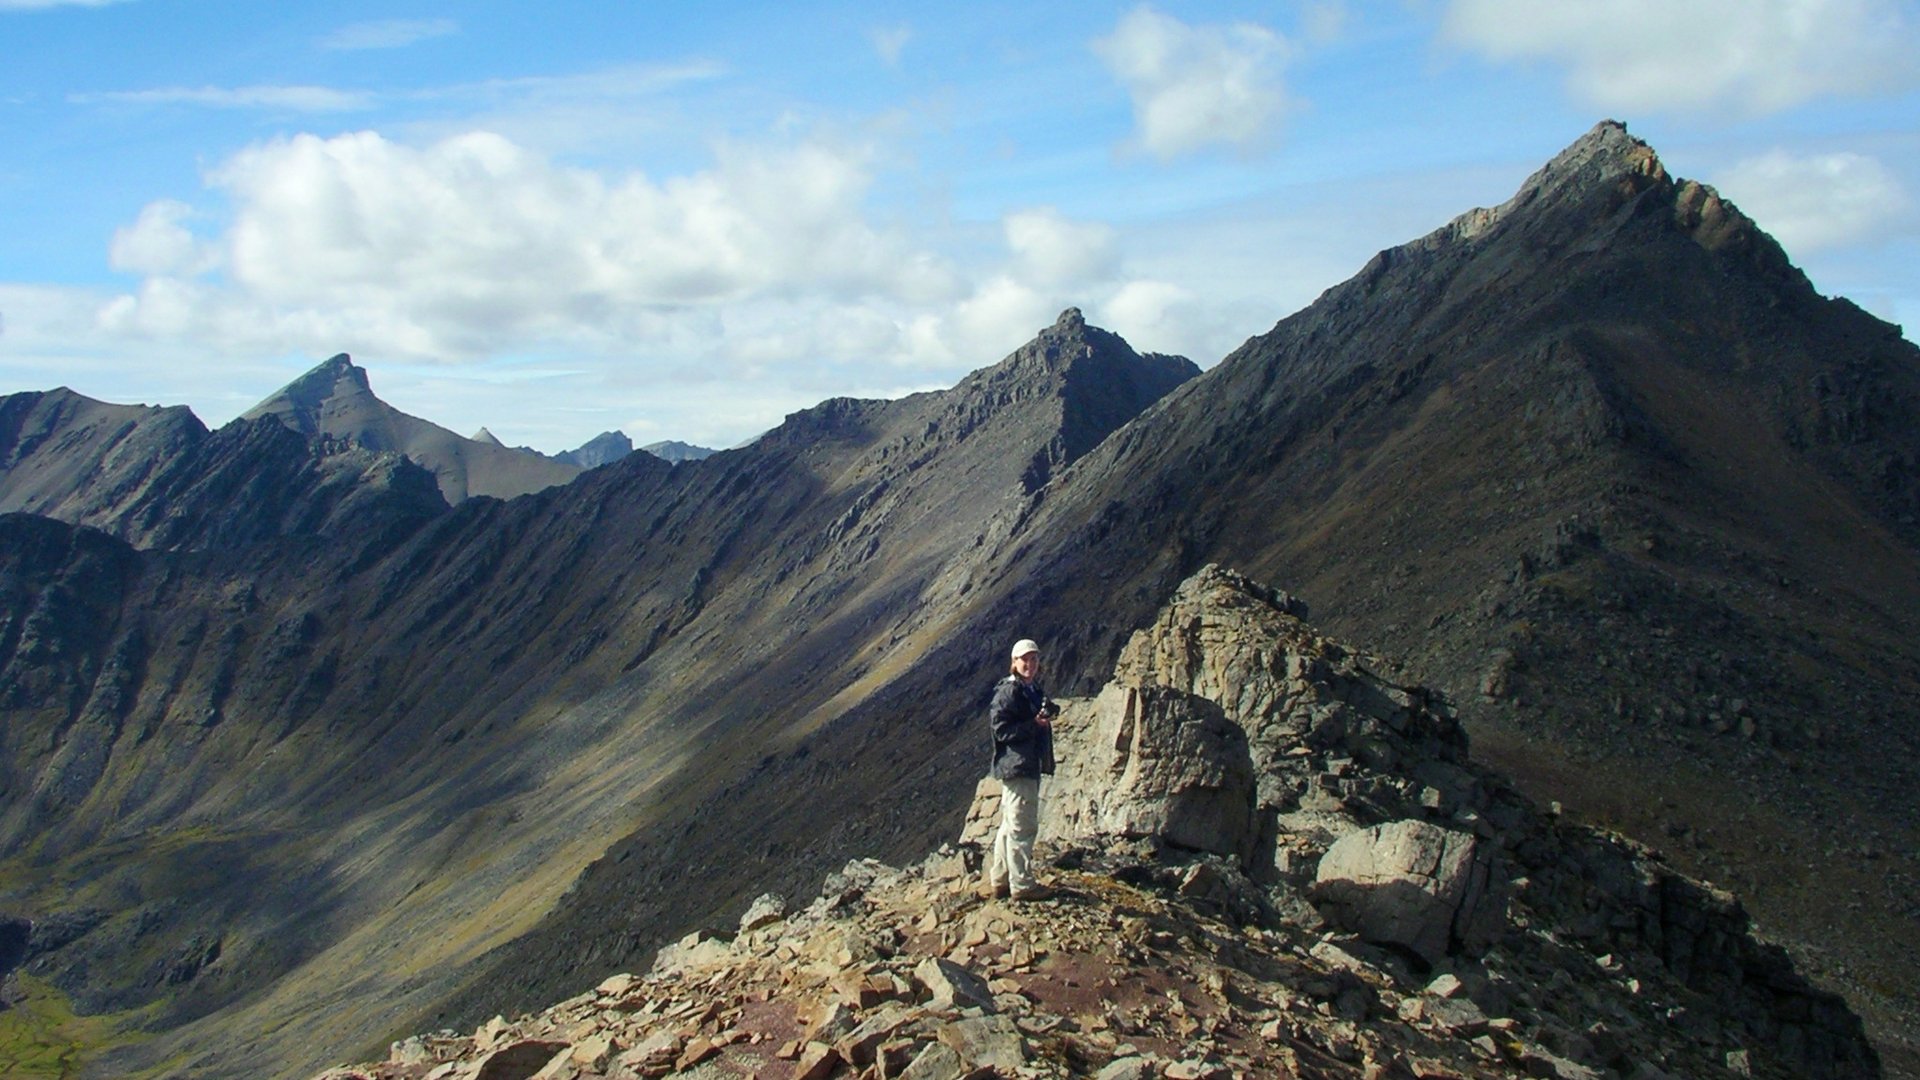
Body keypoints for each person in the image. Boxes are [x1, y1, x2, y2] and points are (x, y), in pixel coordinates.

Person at [984, 638, 1059, 901]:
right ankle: (1023, 885)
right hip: (1019, 766)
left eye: (1034, 659)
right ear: (1014, 663)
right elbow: (1001, 729)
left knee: (1009, 825)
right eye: (1024, 659)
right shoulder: (1011, 691)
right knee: (1022, 826)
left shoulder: (1028, 689)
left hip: (1022, 764)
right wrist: (1034, 724)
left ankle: (1001, 880)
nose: (1030, 664)